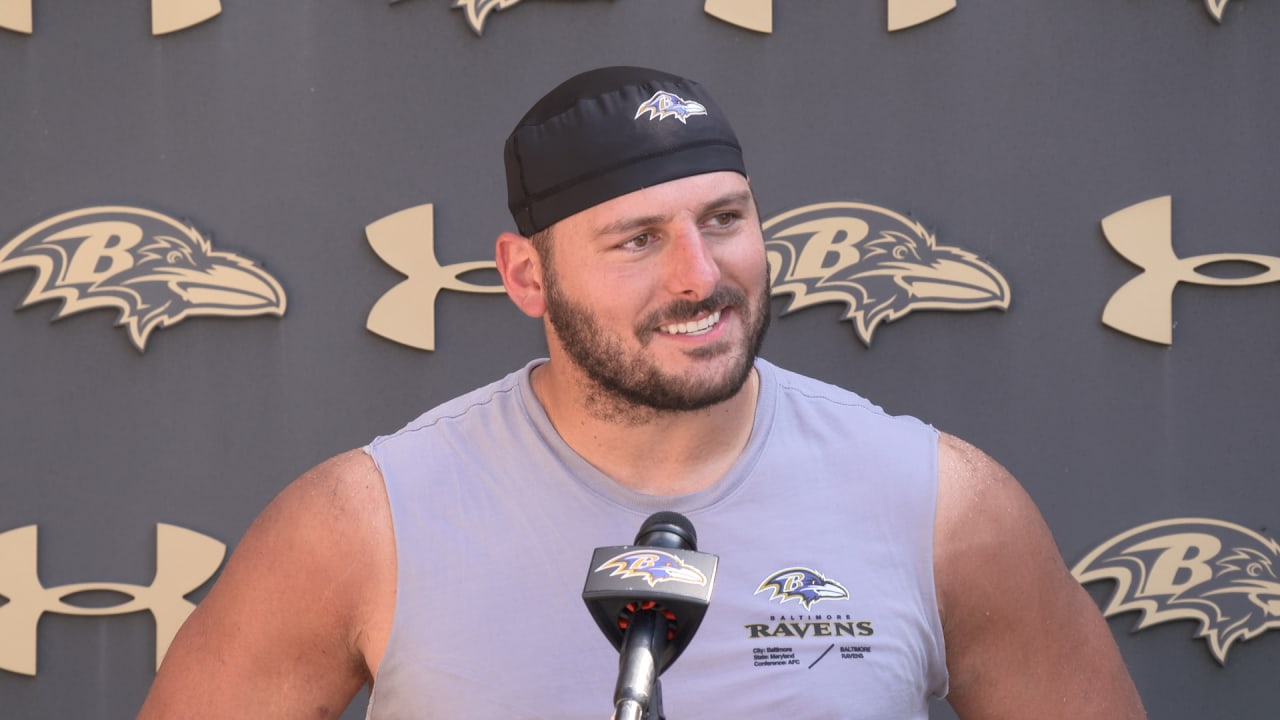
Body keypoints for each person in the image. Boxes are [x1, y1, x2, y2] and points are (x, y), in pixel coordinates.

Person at [138, 66, 1147, 719]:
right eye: (635, 241)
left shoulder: (940, 504)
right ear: (526, 276)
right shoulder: (364, 522)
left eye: (722, 219)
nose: (698, 276)